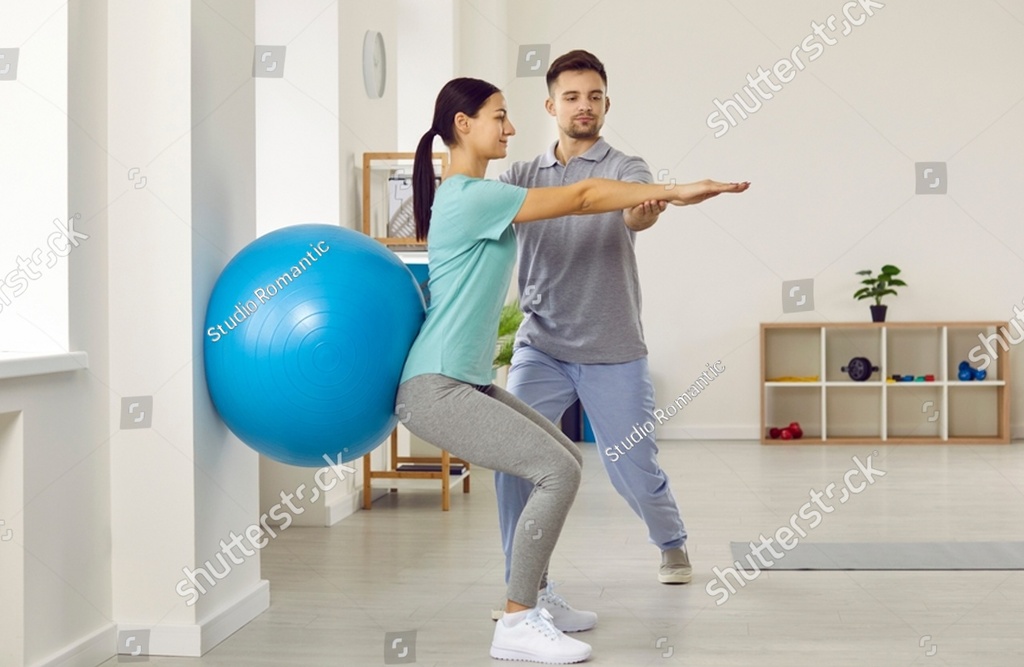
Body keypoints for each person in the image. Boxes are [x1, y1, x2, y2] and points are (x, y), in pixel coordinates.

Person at [395, 76, 747, 664]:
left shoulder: (475, 191)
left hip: (470, 378)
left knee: (566, 461)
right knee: (556, 472)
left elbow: (608, 202)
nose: (509, 129)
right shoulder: (471, 194)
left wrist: (651, 206)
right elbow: (584, 197)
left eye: (509, 117)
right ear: (463, 125)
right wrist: (684, 189)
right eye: (499, 117)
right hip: (438, 386)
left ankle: (538, 594)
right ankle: (516, 622)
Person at [492, 50, 698, 631]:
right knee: (514, 460)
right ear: (551, 105)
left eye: (596, 97)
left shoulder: (627, 167)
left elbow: (635, 214)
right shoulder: (521, 176)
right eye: (574, 96)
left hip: (613, 347)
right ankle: (522, 584)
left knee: (631, 466)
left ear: (607, 103)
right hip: (540, 346)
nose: (585, 106)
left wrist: (646, 213)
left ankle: (671, 539)